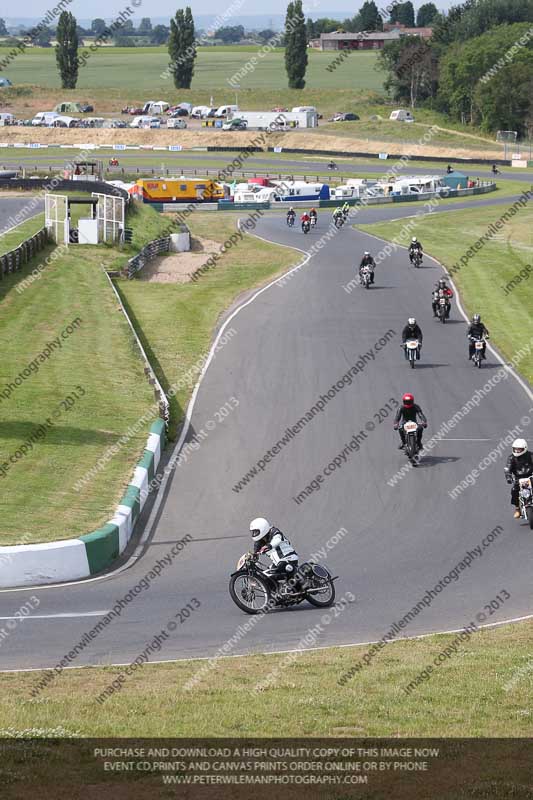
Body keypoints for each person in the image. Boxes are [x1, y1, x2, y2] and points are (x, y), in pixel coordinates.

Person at [504, 439, 533, 518]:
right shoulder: (511, 458)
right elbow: (507, 468)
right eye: (515, 449)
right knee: (514, 491)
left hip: (531, 477)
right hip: (518, 479)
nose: (517, 451)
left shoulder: (530, 455)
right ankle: (517, 509)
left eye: (519, 449)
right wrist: (508, 477)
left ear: (524, 448)